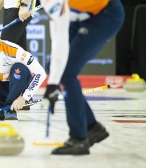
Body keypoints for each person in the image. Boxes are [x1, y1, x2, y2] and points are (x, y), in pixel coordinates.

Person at [41, 0, 124, 155]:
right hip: (79, 16)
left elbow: (60, 43)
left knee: (66, 71)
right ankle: (91, 127)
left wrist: (53, 83)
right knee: (54, 66)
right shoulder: (49, 2)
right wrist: (53, 82)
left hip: (105, 14)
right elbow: (58, 38)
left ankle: (78, 138)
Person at [0, 0, 37, 110]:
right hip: (11, 8)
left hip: (18, 8)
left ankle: (7, 98)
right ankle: (25, 97)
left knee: (4, 52)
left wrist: (24, 5)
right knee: (20, 52)